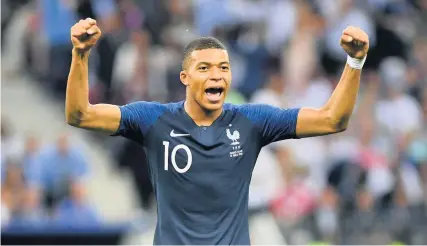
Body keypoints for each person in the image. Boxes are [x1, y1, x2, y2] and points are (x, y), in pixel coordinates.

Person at [65, 18, 369, 245]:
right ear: (184, 77)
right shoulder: (153, 119)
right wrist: (80, 55)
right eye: (205, 68)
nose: (217, 75)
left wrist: (355, 62)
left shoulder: (252, 121)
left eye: (223, 68)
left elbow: (333, 120)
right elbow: (80, 114)